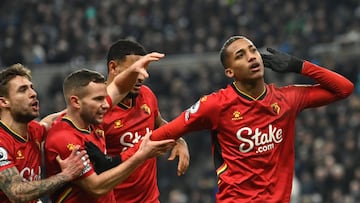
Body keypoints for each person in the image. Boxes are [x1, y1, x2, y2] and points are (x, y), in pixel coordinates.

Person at [149, 35, 354, 202]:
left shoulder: (287, 99)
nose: (251, 57)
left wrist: (299, 66)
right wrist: (121, 159)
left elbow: (344, 89)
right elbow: (165, 133)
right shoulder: (216, 104)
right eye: (241, 55)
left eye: (253, 50)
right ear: (230, 72)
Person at [44, 53, 176, 202]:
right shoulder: (64, 138)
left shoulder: (91, 120)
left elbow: (119, 87)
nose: (107, 105)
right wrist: (141, 156)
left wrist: (135, 69)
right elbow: (96, 188)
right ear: (76, 102)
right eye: (99, 99)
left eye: (104, 97)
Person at [93, 39, 190, 203]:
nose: (141, 77)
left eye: (144, 70)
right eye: (134, 71)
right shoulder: (97, 111)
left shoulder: (146, 95)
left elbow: (158, 122)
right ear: (113, 68)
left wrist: (178, 140)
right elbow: (98, 168)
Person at [0, 63, 88, 203]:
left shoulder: (32, 131)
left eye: (32, 88)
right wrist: (65, 175)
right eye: (23, 90)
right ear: (4, 102)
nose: (33, 93)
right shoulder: (2, 142)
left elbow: (49, 121)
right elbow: (16, 193)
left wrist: (86, 104)